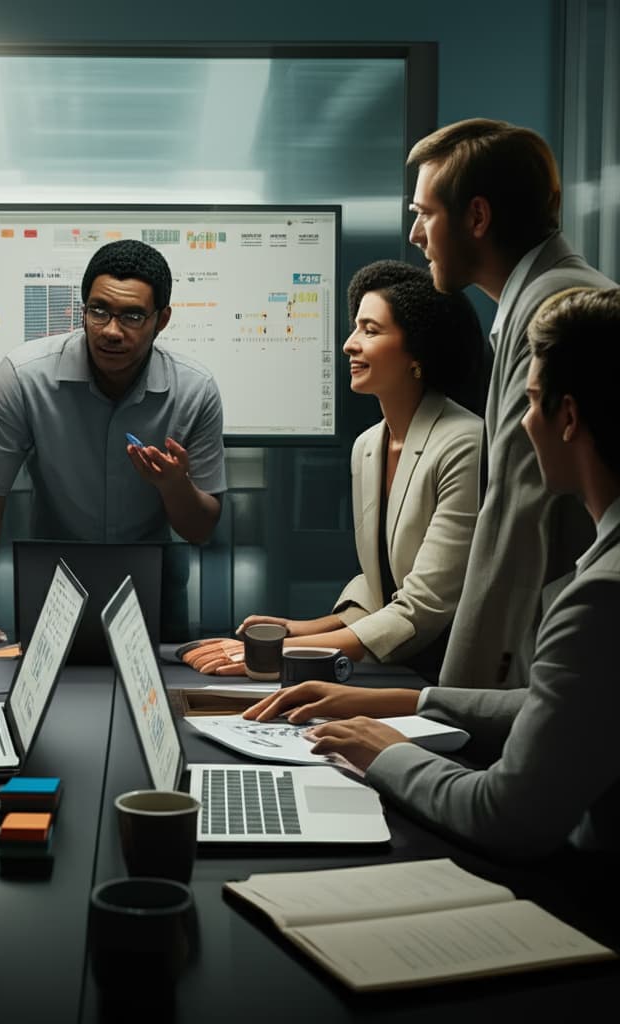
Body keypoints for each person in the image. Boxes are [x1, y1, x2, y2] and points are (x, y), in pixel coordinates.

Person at [244, 287, 620, 859]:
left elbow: (503, 811)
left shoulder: (599, 598)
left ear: (567, 417)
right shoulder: (602, 576)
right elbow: (556, 702)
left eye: (531, 400)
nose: (519, 425)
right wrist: (407, 704)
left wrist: (386, 750)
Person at [405, 118, 614, 688]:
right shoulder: (548, 294)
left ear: (477, 217)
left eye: (424, 214)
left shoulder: (554, 308)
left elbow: (516, 521)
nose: (415, 236)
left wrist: (452, 709)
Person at [0, 238, 227, 642]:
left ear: (161, 320)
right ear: (83, 308)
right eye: (99, 311)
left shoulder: (195, 390)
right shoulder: (24, 377)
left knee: (157, 697)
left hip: (152, 586)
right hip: (54, 579)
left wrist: (174, 486)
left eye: (131, 316)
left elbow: (200, 529)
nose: (111, 331)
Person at [228, 261, 485, 680]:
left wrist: (277, 651)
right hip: (395, 662)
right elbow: (380, 582)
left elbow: (422, 606)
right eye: (355, 328)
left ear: (417, 351)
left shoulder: (465, 444)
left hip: (448, 673)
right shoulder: (368, 446)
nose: (349, 344)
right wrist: (304, 629)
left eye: (370, 330)